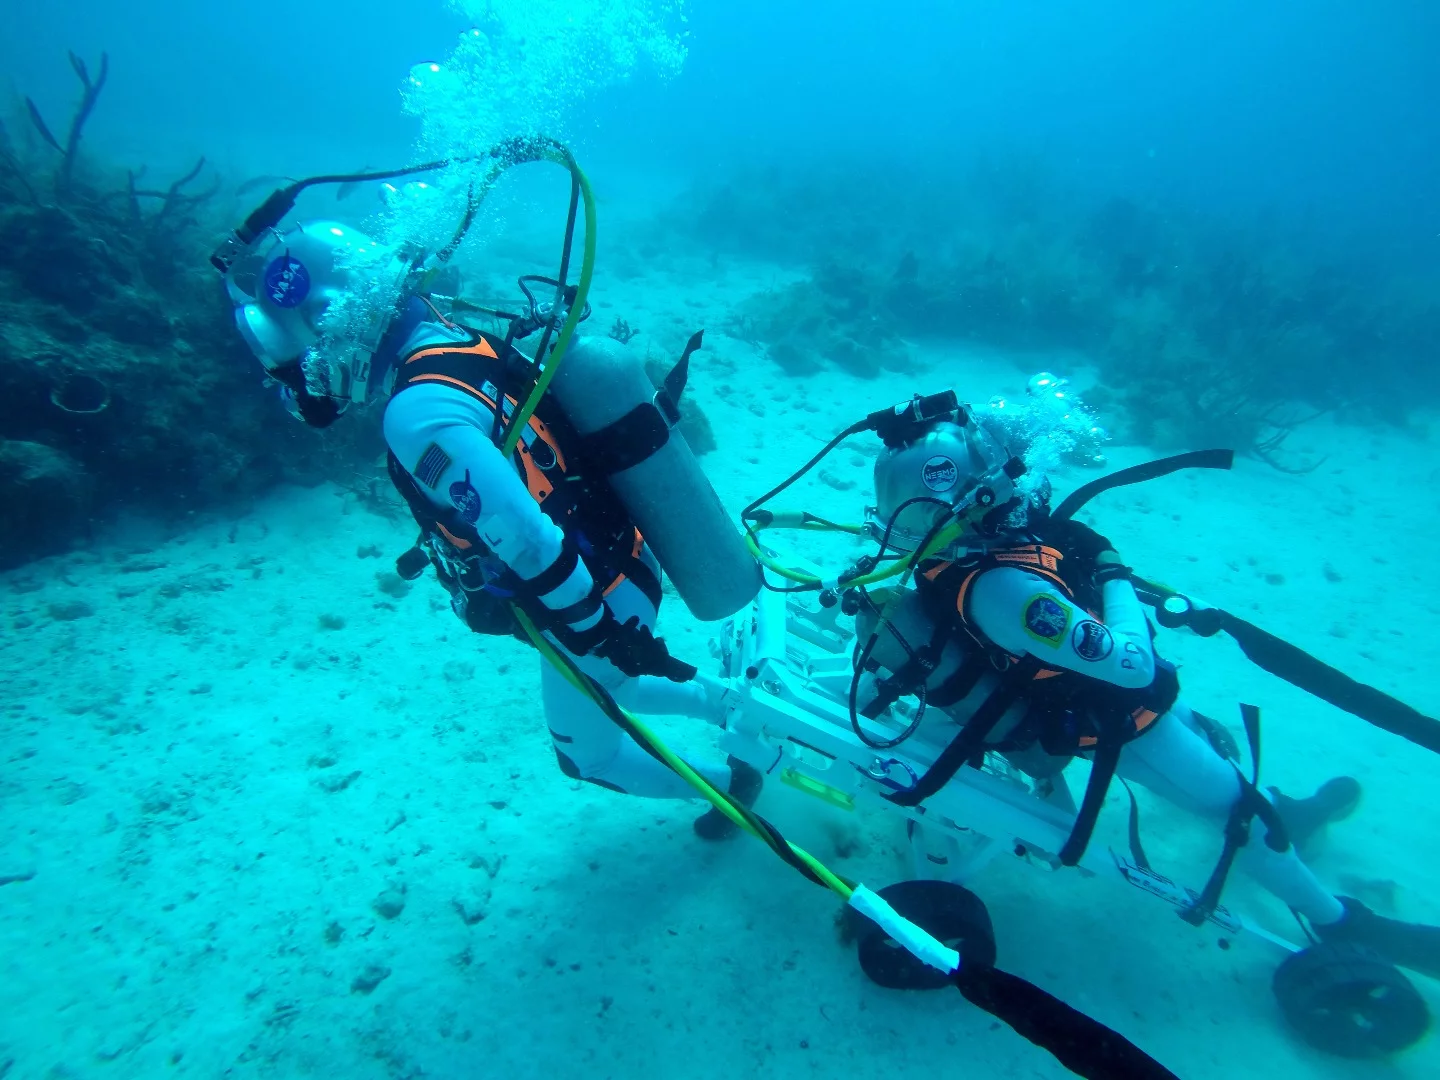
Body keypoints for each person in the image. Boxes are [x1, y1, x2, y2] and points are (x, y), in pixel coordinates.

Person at [850, 400, 1440, 977]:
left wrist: (1099, 571)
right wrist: (1114, 572)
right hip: (1120, 723)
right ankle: (1336, 918)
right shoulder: (1007, 590)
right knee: (1240, 811)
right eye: (1006, 471)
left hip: (1116, 701)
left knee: (1215, 767)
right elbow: (1130, 664)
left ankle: (1274, 829)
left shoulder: (978, 553)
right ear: (978, 495)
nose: (1026, 481)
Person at [224, 218, 760, 838]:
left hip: (592, 594)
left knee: (588, 754)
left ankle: (733, 792)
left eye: (307, 365)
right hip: (613, 562)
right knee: (620, 685)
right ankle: (736, 712)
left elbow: (526, 535)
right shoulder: (451, 339)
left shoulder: (415, 411)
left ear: (331, 321)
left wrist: (594, 628)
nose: (313, 384)